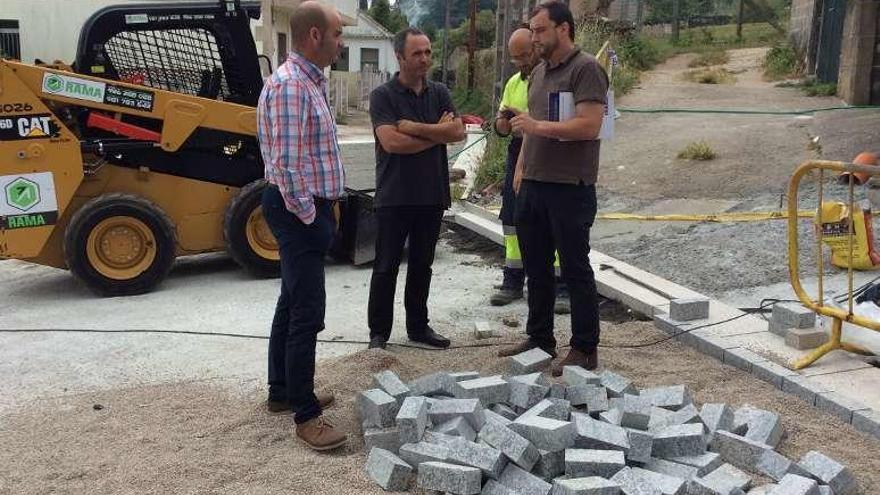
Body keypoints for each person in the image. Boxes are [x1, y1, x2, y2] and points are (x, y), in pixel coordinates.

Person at [498, 0, 609, 375]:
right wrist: (522, 168)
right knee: (537, 267)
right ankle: (540, 338)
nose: (534, 37)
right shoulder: (540, 73)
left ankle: (584, 347)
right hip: (534, 184)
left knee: (575, 269)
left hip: (569, 187)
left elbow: (589, 125)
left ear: (564, 29)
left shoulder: (587, 69)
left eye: (540, 29)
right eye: (532, 30)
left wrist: (536, 129)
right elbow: (533, 123)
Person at [256, 1, 348, 451]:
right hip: (297, 212)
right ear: (314, 36)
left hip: (298, 209)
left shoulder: (303, 82)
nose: (341, 42)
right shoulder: (293, 87)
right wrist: (312, 217)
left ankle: (283, 391)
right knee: (307, 312)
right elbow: (288, 167)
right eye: (336, 34)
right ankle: (306, 415)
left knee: (290, 302)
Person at [366, 27, 466, 350]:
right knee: (386, 267)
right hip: (394, 196)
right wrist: (438, 131)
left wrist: (417, 129)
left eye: (428, 52)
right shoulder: (383, 96)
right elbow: (392, 142)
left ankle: (418, 327)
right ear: (400, 57)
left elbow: (458, 133)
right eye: (417, 53)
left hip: (431, 195)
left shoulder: (439, 92)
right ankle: (378, 334)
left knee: (422, 266)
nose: (424, 59)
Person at [490, 26, 571, 315]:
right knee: (513, 218)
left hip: (549, 152)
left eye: (525, 55)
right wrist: (502, 123)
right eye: (515, 58)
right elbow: (501, 126)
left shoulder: (556, 79)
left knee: (552, 220)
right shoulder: (514, 82)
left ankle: (561, 285)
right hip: (517, 150)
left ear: (537, 48)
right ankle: (513, 279)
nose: (521, 62)